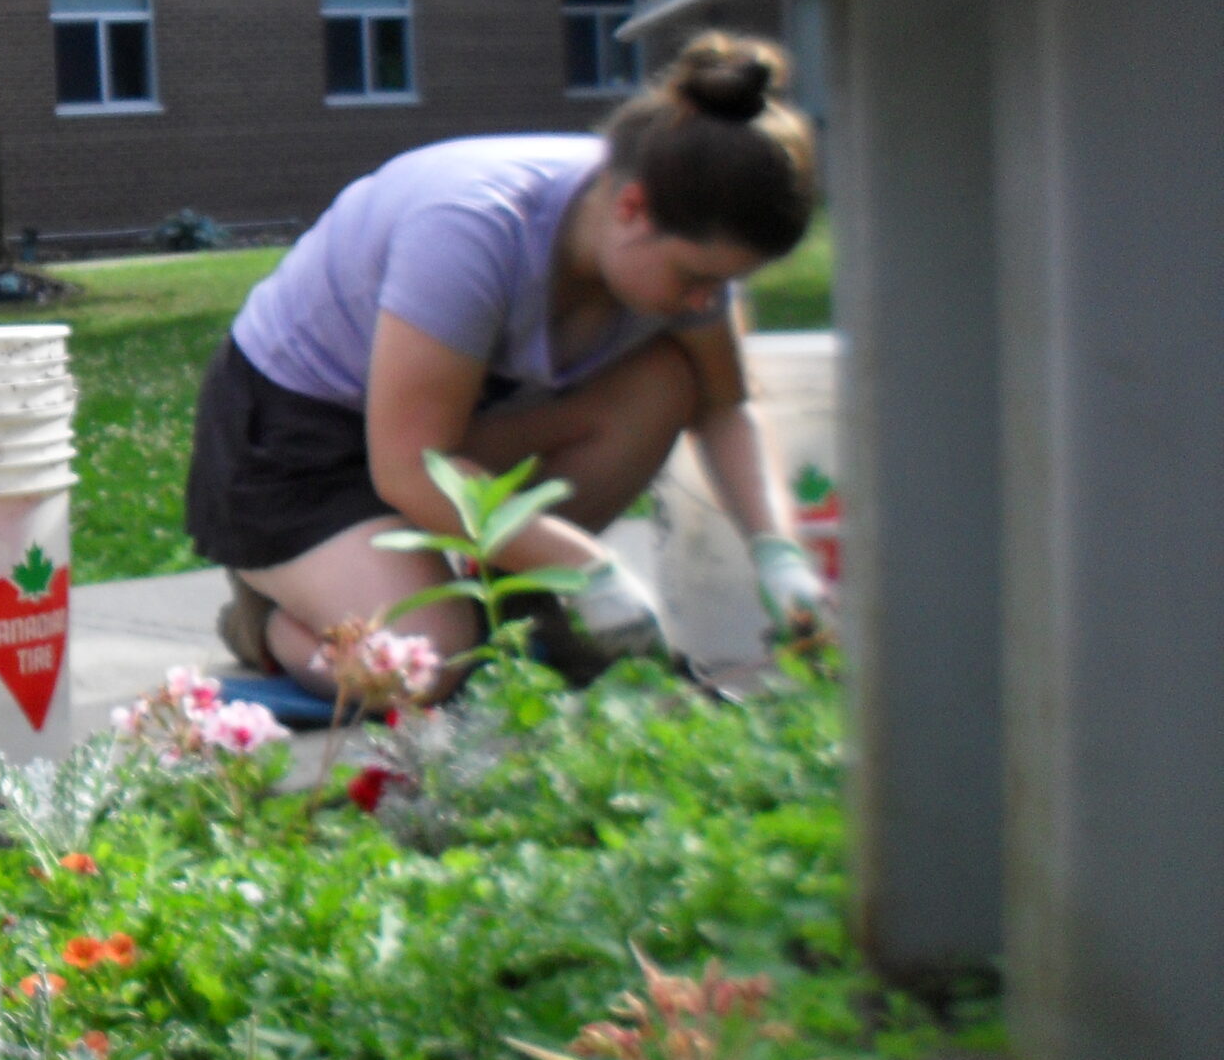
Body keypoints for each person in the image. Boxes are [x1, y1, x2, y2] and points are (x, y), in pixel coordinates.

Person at [185, 34, 830, 687]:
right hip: (292, 451)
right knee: (425, 662)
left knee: (670, 378)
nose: (708, 303)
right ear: (632, 209)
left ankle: (530, 602)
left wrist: (778, 553)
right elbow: (409, 470)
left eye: (726, 282)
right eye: (696, 278)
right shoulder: (471, 229)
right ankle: (268, 618)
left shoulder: (680, 220)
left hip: (437, 432)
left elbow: (726, 407)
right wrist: (588, 567)